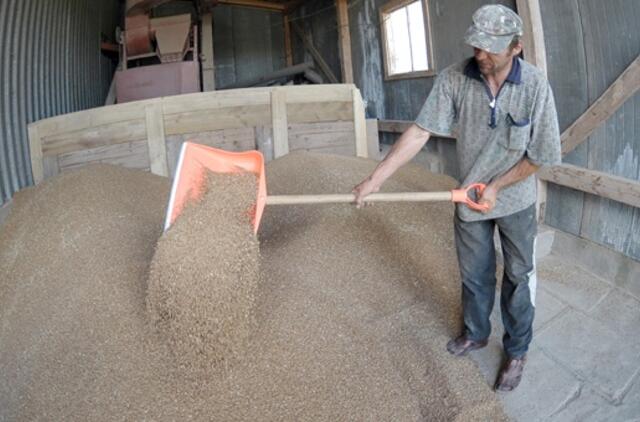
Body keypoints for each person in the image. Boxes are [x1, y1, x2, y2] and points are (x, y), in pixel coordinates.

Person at [353, 4, 561, 392]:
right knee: (475, 274)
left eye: (489, 48)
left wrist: (497, 187)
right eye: (476, 45)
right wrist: (374, 180)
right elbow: (419, 132)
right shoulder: (455, 78)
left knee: (518, 275)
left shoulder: (534, 86)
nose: (479, 54)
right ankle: (476, 332)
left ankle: (516, 350)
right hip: (468, 198)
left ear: (516, 47)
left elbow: (542, 155)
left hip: (514, 200)